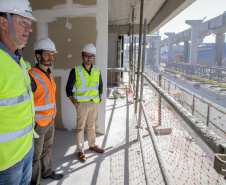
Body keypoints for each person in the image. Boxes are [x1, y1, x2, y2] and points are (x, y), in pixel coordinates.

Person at [0, 0, 36, 184]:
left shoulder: (18, 58)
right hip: (5, 162)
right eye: (23, 22)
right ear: (3, 23)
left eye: (30, 23)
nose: (29, 28)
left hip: (26, 148)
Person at [28, 38, 64, 185]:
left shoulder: (50, 73)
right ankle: (35, 182)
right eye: (48, 54)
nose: (51, 57)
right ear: (38, 56)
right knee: (35, 156)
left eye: (52, 54)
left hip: (50, 120)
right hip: (38, 123)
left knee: (48, 148)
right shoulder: (31, 75)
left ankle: (47, 171)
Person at [66, 43, 104, 162]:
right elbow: (68, 89)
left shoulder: (97, 70)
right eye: (86, 56)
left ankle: (92, 145)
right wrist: (75, 103)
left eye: (91, 56)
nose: (89, 58)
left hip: (94, 103)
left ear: (93, 57)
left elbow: (100, 86)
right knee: (80, 128)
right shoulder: (76, 71)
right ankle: (80, 150)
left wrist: (99, 99)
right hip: (82, 104)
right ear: (82, 57)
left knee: (91, 125)